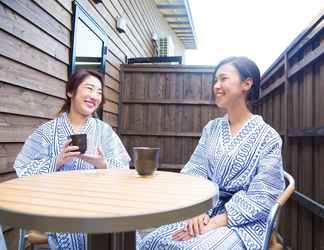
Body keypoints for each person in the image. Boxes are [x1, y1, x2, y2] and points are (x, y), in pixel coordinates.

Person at [139, 57, 285, 250]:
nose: (217, 85)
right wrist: (198, 209)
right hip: (205, 209)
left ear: (246, 84)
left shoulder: (268, 137)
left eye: (223, 79)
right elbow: (195, 169)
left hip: (243, 221)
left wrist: (216, 222)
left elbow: (264, 196)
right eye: (215, 80)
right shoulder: (212, 128)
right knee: (154, 240)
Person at [14, 69, 131, 250]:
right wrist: (56, 161)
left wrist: (102, 164)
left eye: (99, 92)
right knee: (81, 232)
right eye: (89, 89)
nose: (95, 96)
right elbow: (22, 167)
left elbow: (124, 167)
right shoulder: (47, 132)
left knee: (125, 230)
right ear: (70, 92)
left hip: (98, 205)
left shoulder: (104, 132)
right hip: (56, 208)